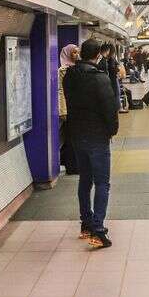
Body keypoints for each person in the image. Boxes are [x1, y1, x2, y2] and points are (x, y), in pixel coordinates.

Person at [62, 38, 120, 248]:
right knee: (102, 183)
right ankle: (97, 229)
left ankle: (86, 225)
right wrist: (112, 130)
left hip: (77, 135)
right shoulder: (100, 79)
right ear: (98, 55)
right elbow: (109, 109)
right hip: (97, 137)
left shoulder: (69, 76)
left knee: (85, 180)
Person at [57, 44, 79, 174]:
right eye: (74, 53)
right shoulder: (62, 70)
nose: (77, 55)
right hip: (68, 109)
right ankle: (72, 166)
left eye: (78, 52)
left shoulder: (77, 68)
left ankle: (74, 164)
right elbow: (60, 92)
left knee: (74, 137)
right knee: (70, 138)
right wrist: (63, 110)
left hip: (76, 108)